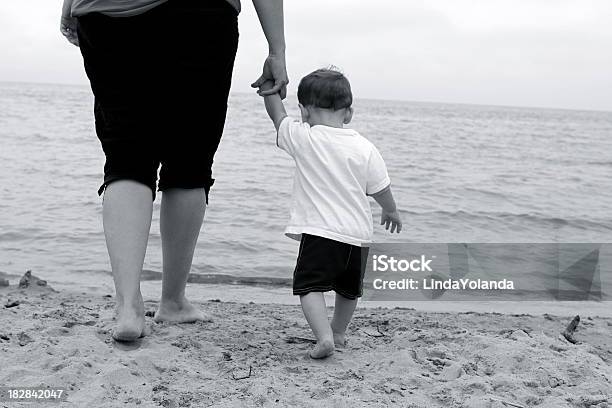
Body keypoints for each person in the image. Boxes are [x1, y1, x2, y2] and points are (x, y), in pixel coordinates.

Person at [60, 0, 288, 342]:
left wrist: (69, 5)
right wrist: (277, 48)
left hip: (106, 10)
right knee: (190, 158)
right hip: (199, 15)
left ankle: (127, 307)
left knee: (126, 156)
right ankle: (172, 301)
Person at [257, 68, 402, 358]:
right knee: (349, 290)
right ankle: (338, 331)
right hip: (359, 237)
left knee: (309, 286)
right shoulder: (365, 147)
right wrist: (391, 210)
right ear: (348, 114)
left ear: (304, 111)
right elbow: (380, 187)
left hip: (321, 232)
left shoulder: (304, 137)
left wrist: (271, 88)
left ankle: (324, 337)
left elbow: (277, 117)